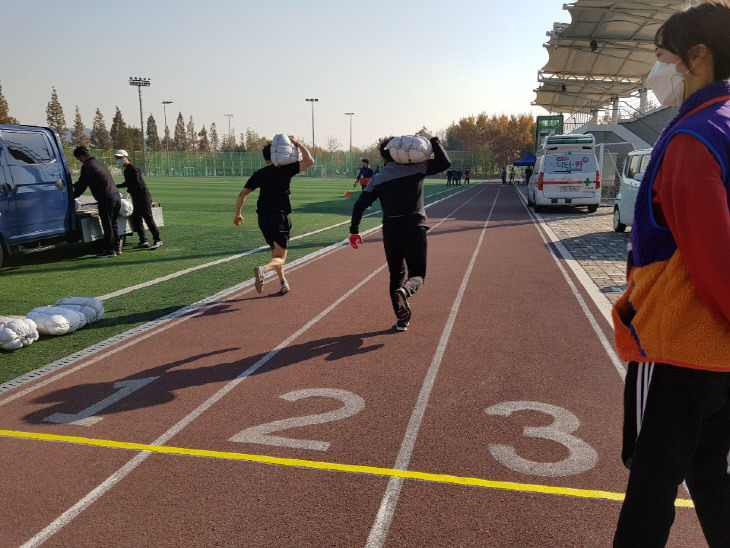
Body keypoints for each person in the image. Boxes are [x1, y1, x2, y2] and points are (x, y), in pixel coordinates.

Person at [612, 3, 730, 546]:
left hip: (682, 341)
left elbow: (713, 257)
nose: (655, 72)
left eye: (661, 57)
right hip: (719, 358)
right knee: (711, 475)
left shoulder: (693, 135)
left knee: (651, 488)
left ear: (696, 57)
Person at [348, 129, 451, 331]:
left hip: (391, 230)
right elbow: (444, 162)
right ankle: (406, 291)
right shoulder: (418, 168)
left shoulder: (378, 178)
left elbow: (359, 205)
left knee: (395, 275)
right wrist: (433, 139)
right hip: (415, 227)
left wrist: (354, 230)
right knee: (418, 274)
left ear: (384, 156)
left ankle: (402, 319)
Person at [234, 136, 314, 295]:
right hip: (280, 217)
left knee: (275, 251)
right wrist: (297, 143)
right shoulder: (286, 169)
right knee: (281, 258)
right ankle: (264, 270)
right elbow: (309, 160)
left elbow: (242, 194)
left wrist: (238, 214)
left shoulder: (259, 173)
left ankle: (283, 282)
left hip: (263, 219)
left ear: (265, 158)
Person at [72, 146, 122, 258]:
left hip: (106, 199)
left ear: (81, 156)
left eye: (78, 158)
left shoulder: (88, 166)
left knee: (107, 225)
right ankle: (117, 247)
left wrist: (72, 196)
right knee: (113, 224)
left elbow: (82, 184)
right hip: (116, 197)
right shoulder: (98, 163)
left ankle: (110, 251)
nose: (79, 161)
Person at [114, 150, 163, 250]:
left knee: (148, 218)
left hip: (143, 197)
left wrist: (127, 192)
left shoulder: (133, 169)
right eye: (117, 158)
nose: (118, 160)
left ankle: (157, 240)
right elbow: (128, 182)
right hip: (136, 197)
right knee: (136, 218)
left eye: (120, 158)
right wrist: (116, 186)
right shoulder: (127, 169)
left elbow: (135, 182)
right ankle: (143, 241)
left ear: (126, 157)